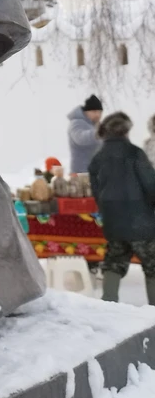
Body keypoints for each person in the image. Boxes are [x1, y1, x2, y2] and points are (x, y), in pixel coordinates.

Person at [88, 112, 155, 304]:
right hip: (141, 222)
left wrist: (108, 211)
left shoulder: (98, 158)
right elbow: (150, 184)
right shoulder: (135, 153)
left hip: (114, 222)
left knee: (114, 262)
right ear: (125, 132)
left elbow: (96, 191)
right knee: (152, 264)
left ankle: (109, 305)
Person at [67, 95, 103, 174]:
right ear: (86, 112)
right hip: (81, 173)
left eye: (100, 112)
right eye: (94, 111)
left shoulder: (96, 126)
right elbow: (80, 138)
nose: (98, 115)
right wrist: (98, 133)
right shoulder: (76, 122)